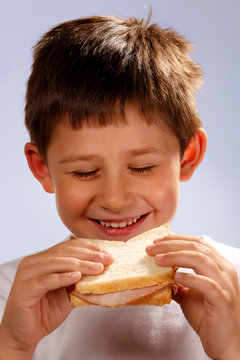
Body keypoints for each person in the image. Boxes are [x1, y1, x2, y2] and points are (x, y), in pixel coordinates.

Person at [0, 14, 240, 360]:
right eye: (85, 172)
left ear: (187, 157)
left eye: (142, 167)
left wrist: (232, 348)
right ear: (43, 168)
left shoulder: (231, 282)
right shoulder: (12, 293)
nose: (115, 198)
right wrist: (13, 346)